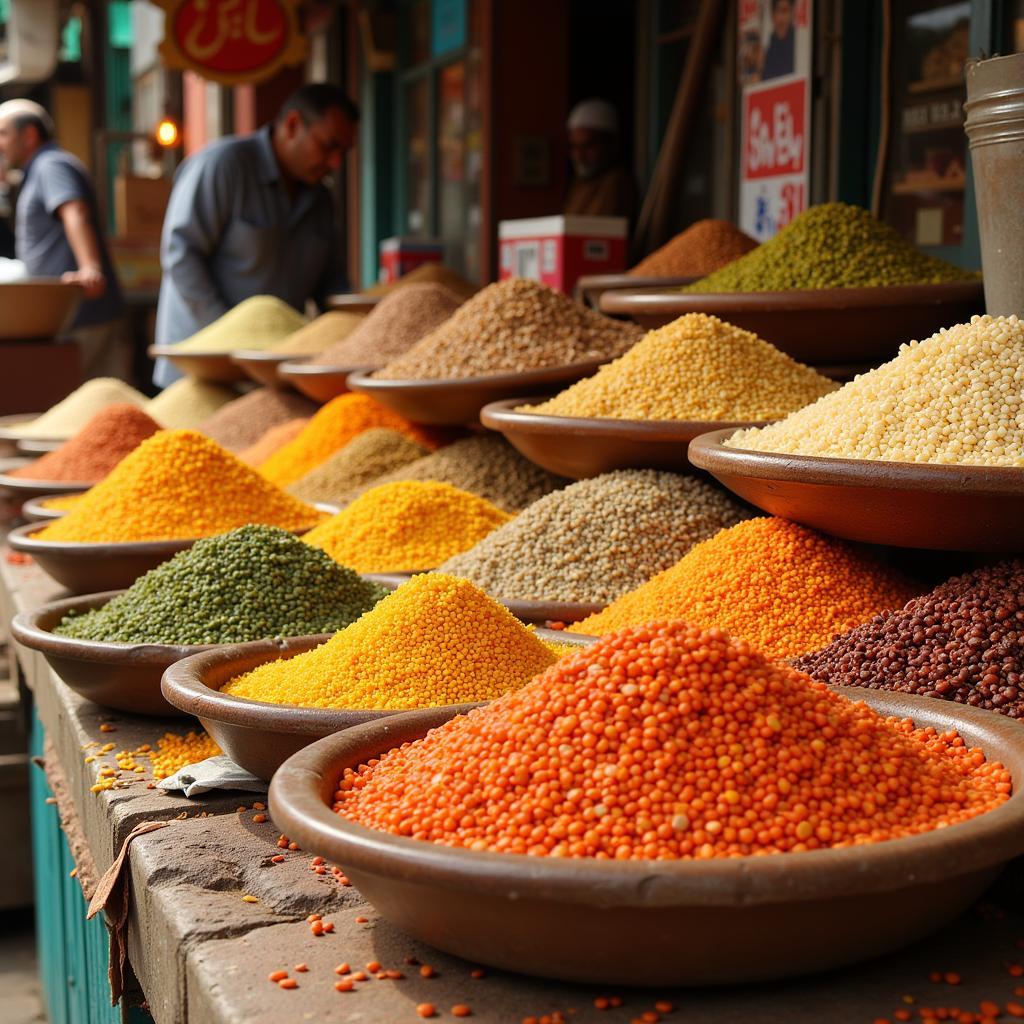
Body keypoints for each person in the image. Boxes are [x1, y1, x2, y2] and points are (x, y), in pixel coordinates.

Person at [154, 83, 358, 387]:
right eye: (328, 146)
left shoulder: (321, 201)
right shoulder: (224, 166)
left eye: (343, 152)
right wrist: (228, 334)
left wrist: (358, 328)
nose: (336, 163)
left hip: (274, 372)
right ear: (292, 125)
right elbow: (181, 254)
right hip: (202, 371)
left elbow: (331, 282)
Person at [0, 99, 128, 379]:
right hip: (68, 316)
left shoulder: (51, 165)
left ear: (30, 135)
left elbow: (74, 212)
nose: (0, 143)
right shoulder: (36, 171)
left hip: (82, 314)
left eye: (4, 133)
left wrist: (90, 269)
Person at [563, 99, 636, 222]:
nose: (579, 156)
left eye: (588, 146)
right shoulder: (578, 185)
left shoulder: (616, 183)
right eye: (575, 146)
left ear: (612, 144)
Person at [761, 0, 795, 80]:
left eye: (786, 11)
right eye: (779, 11)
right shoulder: (769, 46)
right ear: (773, 15)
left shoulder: (797, 44)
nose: (783, 18)